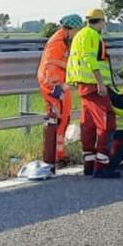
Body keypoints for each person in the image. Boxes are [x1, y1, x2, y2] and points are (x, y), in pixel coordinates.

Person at [67, 8, 121, 178]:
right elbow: (90, 59)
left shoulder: (80, 35)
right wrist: (100, 82)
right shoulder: (92, 35)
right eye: (104, 22)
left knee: (88, 125)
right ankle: (102, 165)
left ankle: (89, 164)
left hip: (83, 85)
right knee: (107, 122)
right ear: (101, 21)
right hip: (93, 86)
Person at [37, 14, 82, 169]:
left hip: (59, 83)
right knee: (58, 118)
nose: (78, 34)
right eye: (77, 30)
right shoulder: (57, 41)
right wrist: (73, 67)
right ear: (70, 29)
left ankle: (59, 154)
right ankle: (54, 156)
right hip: (53, 84)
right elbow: (52, 61)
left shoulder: (63, 39)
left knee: (64, 118)